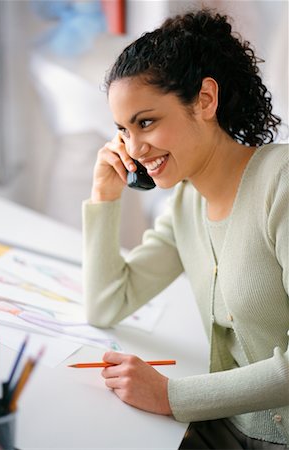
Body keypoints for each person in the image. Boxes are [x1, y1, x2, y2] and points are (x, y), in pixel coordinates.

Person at [82, 9, 288, 450]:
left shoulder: (281, 184)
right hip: (224, 427)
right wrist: (105, 196)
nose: (134, 149)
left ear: (205, 101)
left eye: (147, 122)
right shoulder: (185, 202)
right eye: (122, 129)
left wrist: (169, 395)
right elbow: (105, 304)